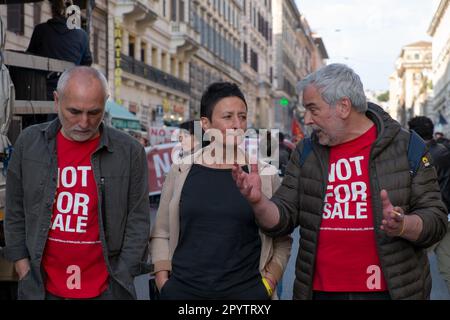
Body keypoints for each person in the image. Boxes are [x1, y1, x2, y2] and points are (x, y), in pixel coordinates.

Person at [232, 64, 448, 300]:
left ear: (344, 106)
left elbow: (435, 219)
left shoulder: (407, 147)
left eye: (313, 109)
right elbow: (283, 218)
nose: (307, 120)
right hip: (319, 293)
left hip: (391, 292)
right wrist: (259, 202)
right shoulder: (306, 151)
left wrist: (404, 224)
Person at [3, 66, 150, 300]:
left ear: (106, 104)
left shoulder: (130, 152)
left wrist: (123, 274)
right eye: (74, 111)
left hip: (107, 289)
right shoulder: (29, 143)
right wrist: (22, 265)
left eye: (94, 112)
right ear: (56, 100)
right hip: (41, 288)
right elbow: (15, 208)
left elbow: (138, 220)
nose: (84, 122)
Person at [150, 82, 292, 300]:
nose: (238, 124)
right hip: (183, 294)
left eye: (242, 117)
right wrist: (163, 282)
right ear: (206, 124)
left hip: (248, 297)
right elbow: (161, 232)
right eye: (228, 117)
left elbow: (282, 238)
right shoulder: (181, 170)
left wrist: (268, 283)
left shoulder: (265, 174)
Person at [408, 116, 450, 293]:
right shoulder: (444, 150)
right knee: (446, 267)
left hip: (428, 217)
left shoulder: (418, 154)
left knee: (412, 267)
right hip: (446, 215)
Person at [27, 0, 92, 100]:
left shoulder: (41, 30)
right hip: (70, 93)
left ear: (52, 10)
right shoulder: (82, 35)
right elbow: (87, 63)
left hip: (42, 93)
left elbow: (29, 57)